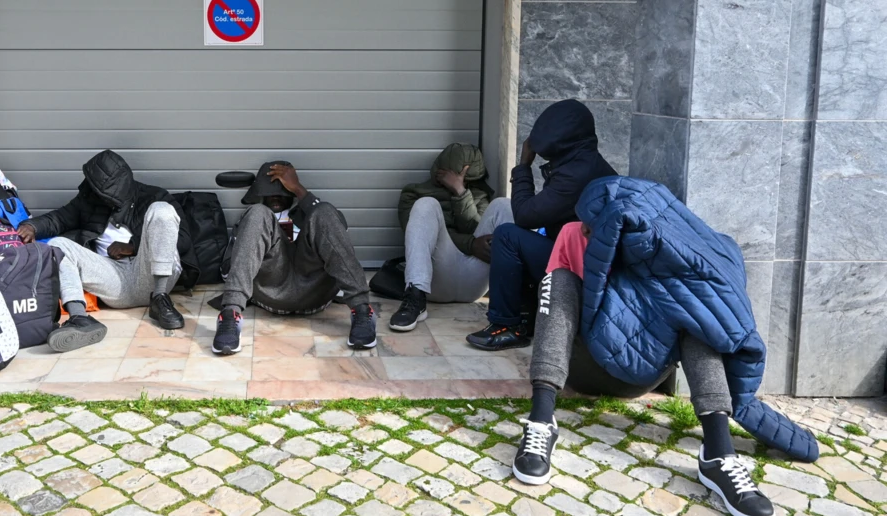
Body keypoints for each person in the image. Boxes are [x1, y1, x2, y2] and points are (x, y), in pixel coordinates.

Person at [513, 178, 819, 516]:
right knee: (558, 281)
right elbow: (558, 308)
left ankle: (718, 455)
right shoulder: (573, 234)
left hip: (644, 371)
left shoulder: (671, 255)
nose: (588, 233)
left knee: (696, 315)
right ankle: (541, 422)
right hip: (587, 364)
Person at [467, 99, 616, 351]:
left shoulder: (575, 175)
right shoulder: (584, 162)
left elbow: (524, 215)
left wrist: (523, 165)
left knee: (507, 236)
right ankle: (529, 317)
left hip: (582, 272)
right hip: (579, 259)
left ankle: (507, 326)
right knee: (522, 237)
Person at [18, 150, 198, 342]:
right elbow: (59, 218)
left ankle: (160, 299)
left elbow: (183, 240)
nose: (95, 193)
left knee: (162, 210)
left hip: (151, 274)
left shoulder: (153, 195)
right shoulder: (89, 201)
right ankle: (79, 318)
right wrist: (32, 226)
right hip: (114, 279)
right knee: (58, 245)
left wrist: (132, 247)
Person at [212, 161, 377, 355]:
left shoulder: (309, 213)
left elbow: (340, 242)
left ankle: (362, 310)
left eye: (281, 192)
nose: (275, 198)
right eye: (269, 192)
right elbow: (227, 270)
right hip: (270, 293)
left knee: (324, 210)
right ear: (259, 194)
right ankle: (230, 316)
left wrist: (300, 190)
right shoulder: (254, 218)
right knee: (257, 213)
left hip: (316, 293)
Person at [390, 143, 513, 331]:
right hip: (437, 279)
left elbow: (476, 229)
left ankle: (513, 303)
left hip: (475, 280)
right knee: (426, 204)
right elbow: (419, 239)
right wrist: (471, 244)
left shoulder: (479, 195)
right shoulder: (413, 194)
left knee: (504, 205)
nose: (464, 181)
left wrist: (461, 192)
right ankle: (415, 298)